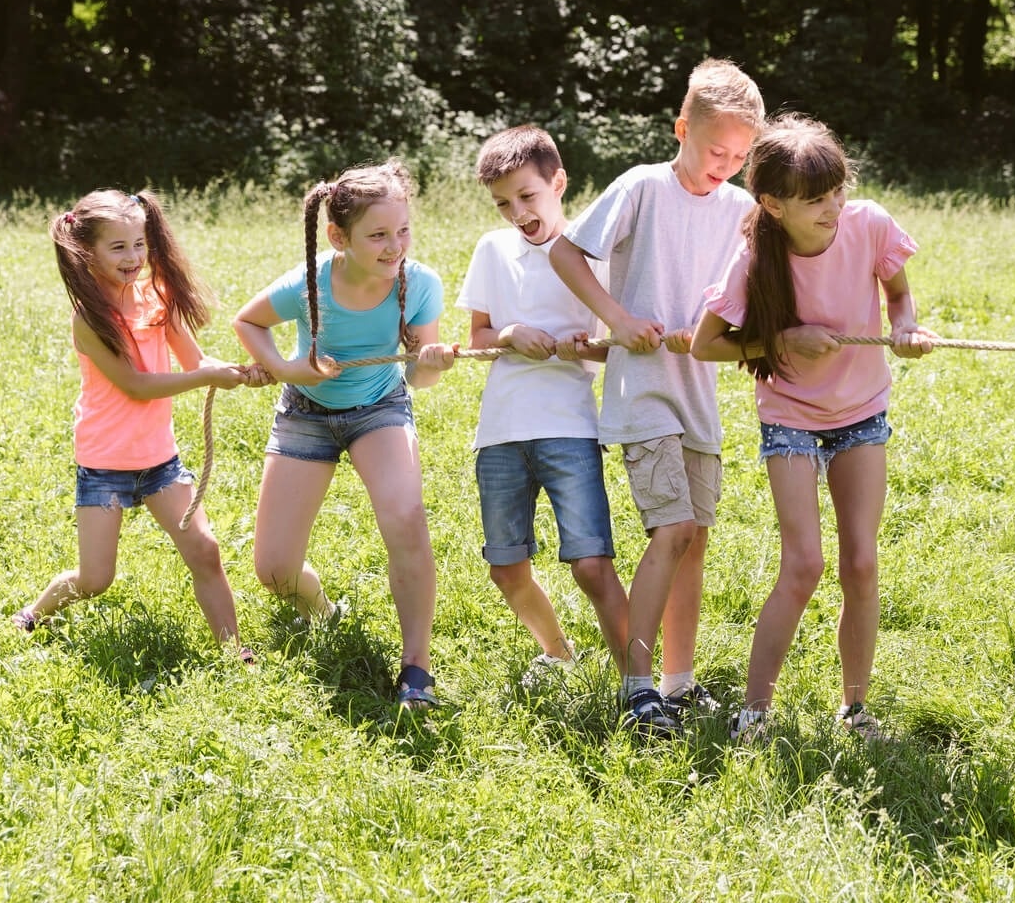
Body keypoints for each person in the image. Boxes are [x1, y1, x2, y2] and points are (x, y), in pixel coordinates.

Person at [690, 115, 935, 741]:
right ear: (772, 205)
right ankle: (754, 713)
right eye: (815, 199)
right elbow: (704, 346)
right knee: (803, 564)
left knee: (860, 559)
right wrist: (781, 339)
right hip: (792, 416)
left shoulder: (869, 224)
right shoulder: (755, 258)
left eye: (837, 191)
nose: (833, 207)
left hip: (861, 411)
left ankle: (855, 709)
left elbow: (900, 295)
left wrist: (905, 326)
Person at [550, 58, 765, 734]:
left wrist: (729, 336)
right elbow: (565, 253)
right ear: (681, 129)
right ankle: (637, 688)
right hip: (643, 389)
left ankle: (678, 682)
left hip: (696, 388)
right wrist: (616, 319)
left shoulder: (743, 210)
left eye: (739, 155)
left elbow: (747, 295)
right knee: (670, 530)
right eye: (714, 150)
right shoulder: (642, 187)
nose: (724, 164)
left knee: (695, 537)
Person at [232, 161, 457, 710]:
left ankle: (417, 667)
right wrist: (289, 369)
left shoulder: (419, 282)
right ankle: (323, 611)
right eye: (377, 235)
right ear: (339, 236)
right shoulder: (311, 283)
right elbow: (247, 322)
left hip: (379, 407)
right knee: (275, 571)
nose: (393, 246)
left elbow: (417, 379)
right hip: (306, 412)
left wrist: (431, 363)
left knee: (406, 516)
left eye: (402, 231)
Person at [14, 189, 264, 659]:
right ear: (87, 251)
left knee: (205, 552)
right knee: (94, 580)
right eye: (119, 247)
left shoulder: (157, 298)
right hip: (105, 464)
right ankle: (34, 612)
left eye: (139, 244)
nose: (133, 257)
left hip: (159, 461)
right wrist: (204, 377)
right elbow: (137, 386)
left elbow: (195, 358)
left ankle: (234, 651)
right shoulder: (90, 319)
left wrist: (235, 372)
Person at [457, 125, 630, 682]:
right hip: (501, 430)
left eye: (527, 196)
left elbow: (620, 346)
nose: (516, 211)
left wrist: (584, 347)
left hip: (569, 426)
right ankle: (558, 653)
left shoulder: (590, 253)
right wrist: (510, 334)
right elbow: (477, 339)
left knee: (591, 564)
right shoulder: (492, 249)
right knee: (505, 567)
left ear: (558, 183)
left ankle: (637, 678)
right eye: (503, 202)